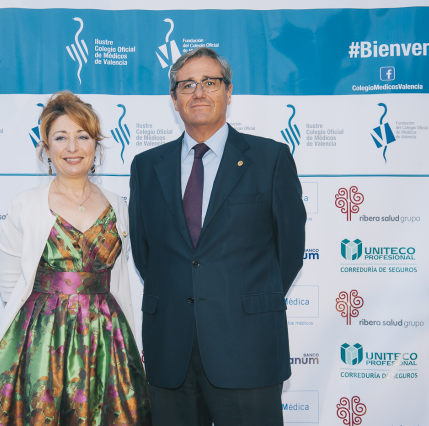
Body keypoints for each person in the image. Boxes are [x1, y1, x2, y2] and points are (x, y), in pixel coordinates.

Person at [129, 47, 306, 426]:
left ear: (228, 91)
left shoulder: (270, 159)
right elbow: (146, 256)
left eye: (210, 82)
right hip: (170, 350)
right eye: (187, 84)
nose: (199, 92)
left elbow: (290, 250)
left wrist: (242, 298)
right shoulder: (146, 166)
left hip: (247, 347)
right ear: (173, 98)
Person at [0, 92, 151, 426]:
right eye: (61, 137)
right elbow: (10, 283)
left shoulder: (118, 205)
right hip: (41, 343)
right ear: (46, 148)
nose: (72, 148)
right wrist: (41, 325)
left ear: (96, 145)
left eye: (83, 136)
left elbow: (121, 277)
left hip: (105, 341)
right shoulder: (25, 204)